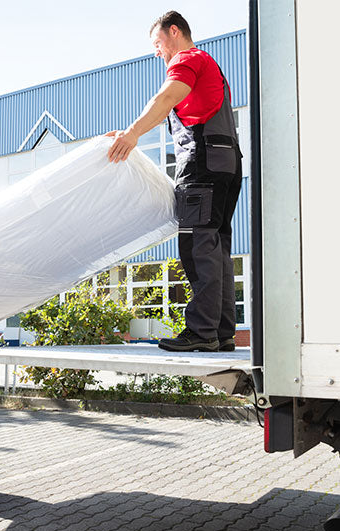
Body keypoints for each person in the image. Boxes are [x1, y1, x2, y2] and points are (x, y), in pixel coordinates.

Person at [107, 11, 242, 353]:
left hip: (202, 166)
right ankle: (221, 332)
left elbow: (165, 98)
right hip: (226, 165)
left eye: (158, 43)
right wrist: (128, 132)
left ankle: (201, 332)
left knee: (197, 246)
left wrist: (132, 133)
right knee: (216, 248)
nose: (157, 52)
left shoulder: (187, 59)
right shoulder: (210, 67)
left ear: (174, 31)